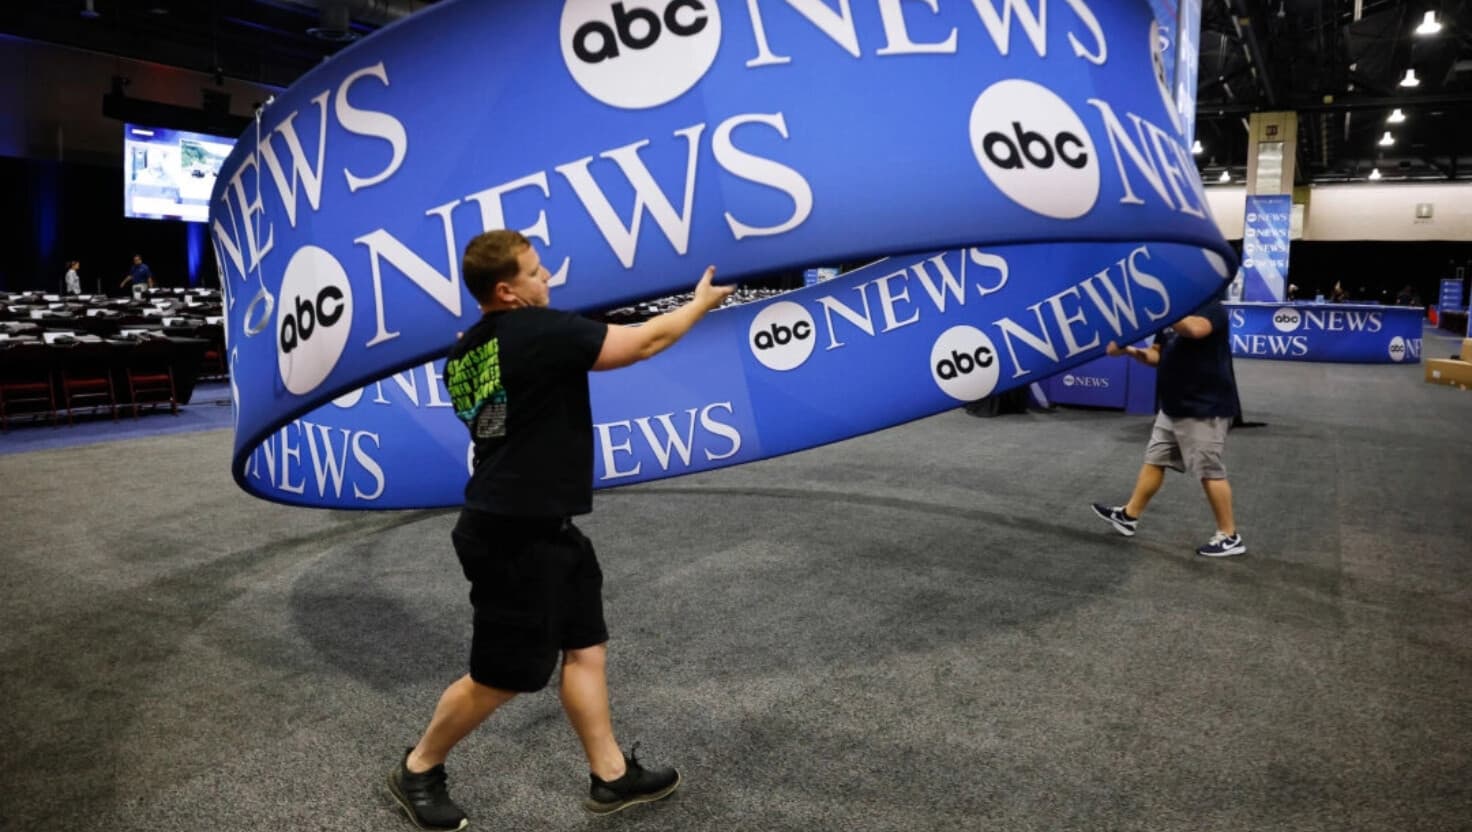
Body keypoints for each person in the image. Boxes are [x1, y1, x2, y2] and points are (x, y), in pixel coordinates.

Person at [387, 230, 733, 831]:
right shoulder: (539, 331)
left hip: (545, 527)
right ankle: (418, 768)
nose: (547, 278)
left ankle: (611, 775)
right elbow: (646, 341)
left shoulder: (467, 350)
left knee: (585, 647)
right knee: (502, 677)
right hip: (512, 535)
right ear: (507, 290)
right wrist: (700, 303)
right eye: (536, 271)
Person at [1090, 291, 1246, 558]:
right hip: (1174, 404)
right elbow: (1156, 356)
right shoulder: (1168, 317)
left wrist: (1163, 310)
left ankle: (1230, 535)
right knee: (1155, 459)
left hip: (1204, 406)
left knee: (1209, 469)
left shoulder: (1211, 308)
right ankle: (1129, 515)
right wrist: (1129, 351)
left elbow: (1195, 330)